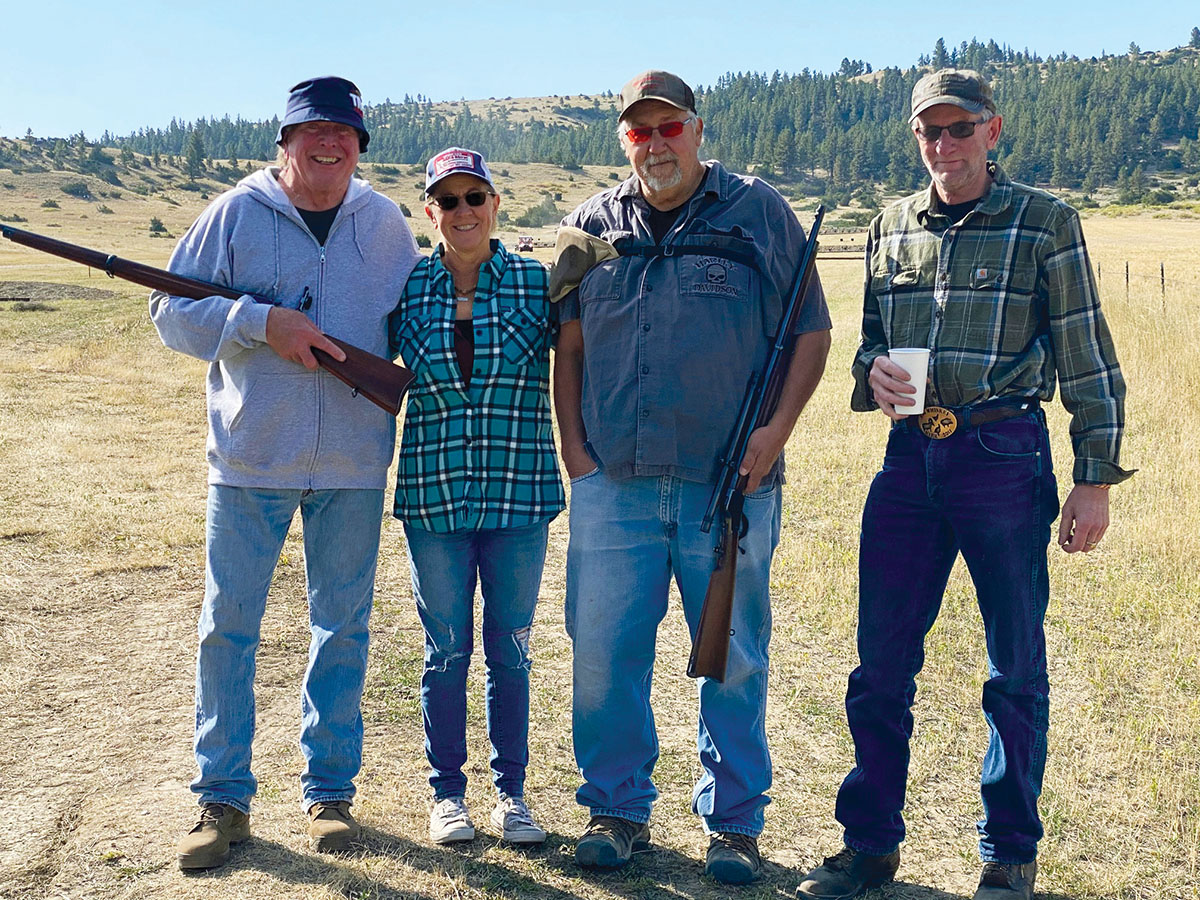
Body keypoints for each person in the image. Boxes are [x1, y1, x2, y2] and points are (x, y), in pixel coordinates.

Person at [796, 69, 1133, 900]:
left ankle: (1009, 853)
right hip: (910, 461)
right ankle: (870, 843)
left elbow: (1089, 356)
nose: (942, 147)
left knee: (1013, 667)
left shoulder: (1043, 223)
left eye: (958, 129)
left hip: (1003, 454)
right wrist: (871, 371)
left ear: (993, 130)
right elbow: (870, 340)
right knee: (880, 665)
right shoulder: (889, 225)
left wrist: (1095, 480)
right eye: (928, 133)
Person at [554, 70, 832, 884]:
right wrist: (575, 451)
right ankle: (616, 809)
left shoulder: (761, 213)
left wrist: (775, 434)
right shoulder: (587, 227)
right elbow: (567, 346)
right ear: (623, 142)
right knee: (604, 655)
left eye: (668, 127)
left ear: (697, 131)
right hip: (615, 484)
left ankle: (735, 826)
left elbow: (810, 335)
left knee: (735, 656)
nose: (655, 144)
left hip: (731, 487)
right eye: (639, 132)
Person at [150, 76, 421, 869]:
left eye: (343, 131)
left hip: (352, 462)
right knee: (227, 627)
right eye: (312, 132)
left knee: (342, 628)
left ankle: (329, 794)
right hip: (249, 458)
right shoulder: (235, 213)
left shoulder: (385, 223)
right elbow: (170, 313)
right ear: (286, 142)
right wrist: (258, 321)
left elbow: (412, 322)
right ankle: (221, 799)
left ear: (360, 143)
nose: (328, 144)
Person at [388, 148, 564, 847]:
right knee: (445, 652)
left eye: (475, 197)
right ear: (430, 211)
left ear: (496, 205)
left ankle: (513, 794)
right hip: (433, 497)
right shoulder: (405, 291)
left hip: (520, 494)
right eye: (448, 200)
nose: (463, 211)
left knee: (512, 650)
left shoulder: (538, 284)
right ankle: (446, 794)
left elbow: (594, 354)